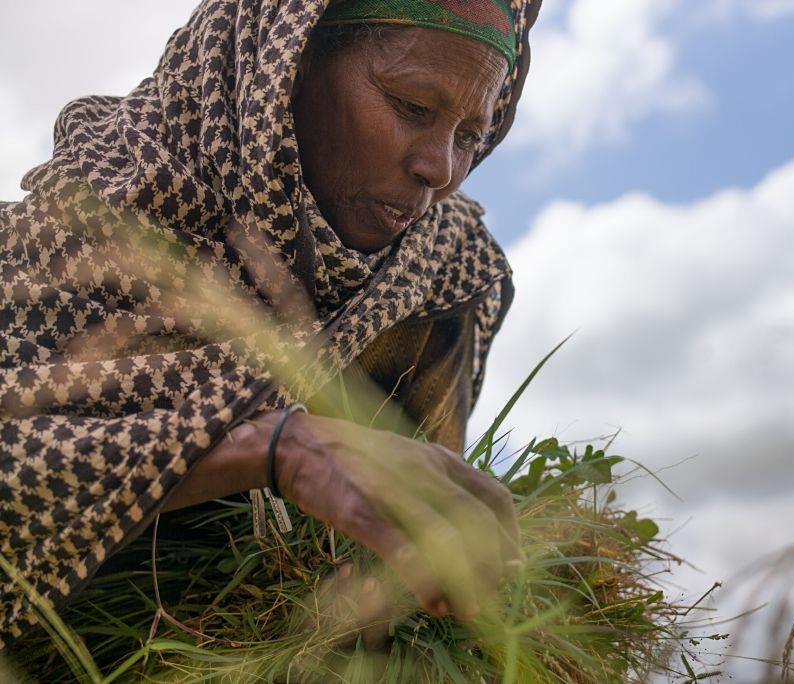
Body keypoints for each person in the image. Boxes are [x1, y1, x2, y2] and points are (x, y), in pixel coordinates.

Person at [0, 0, 541, 644]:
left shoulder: (441, 273)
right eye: (411, 108)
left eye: (470, 135)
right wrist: (277, 448)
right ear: (288, 65)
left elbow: (425, 540)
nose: (441, 167)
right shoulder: (77, 237)